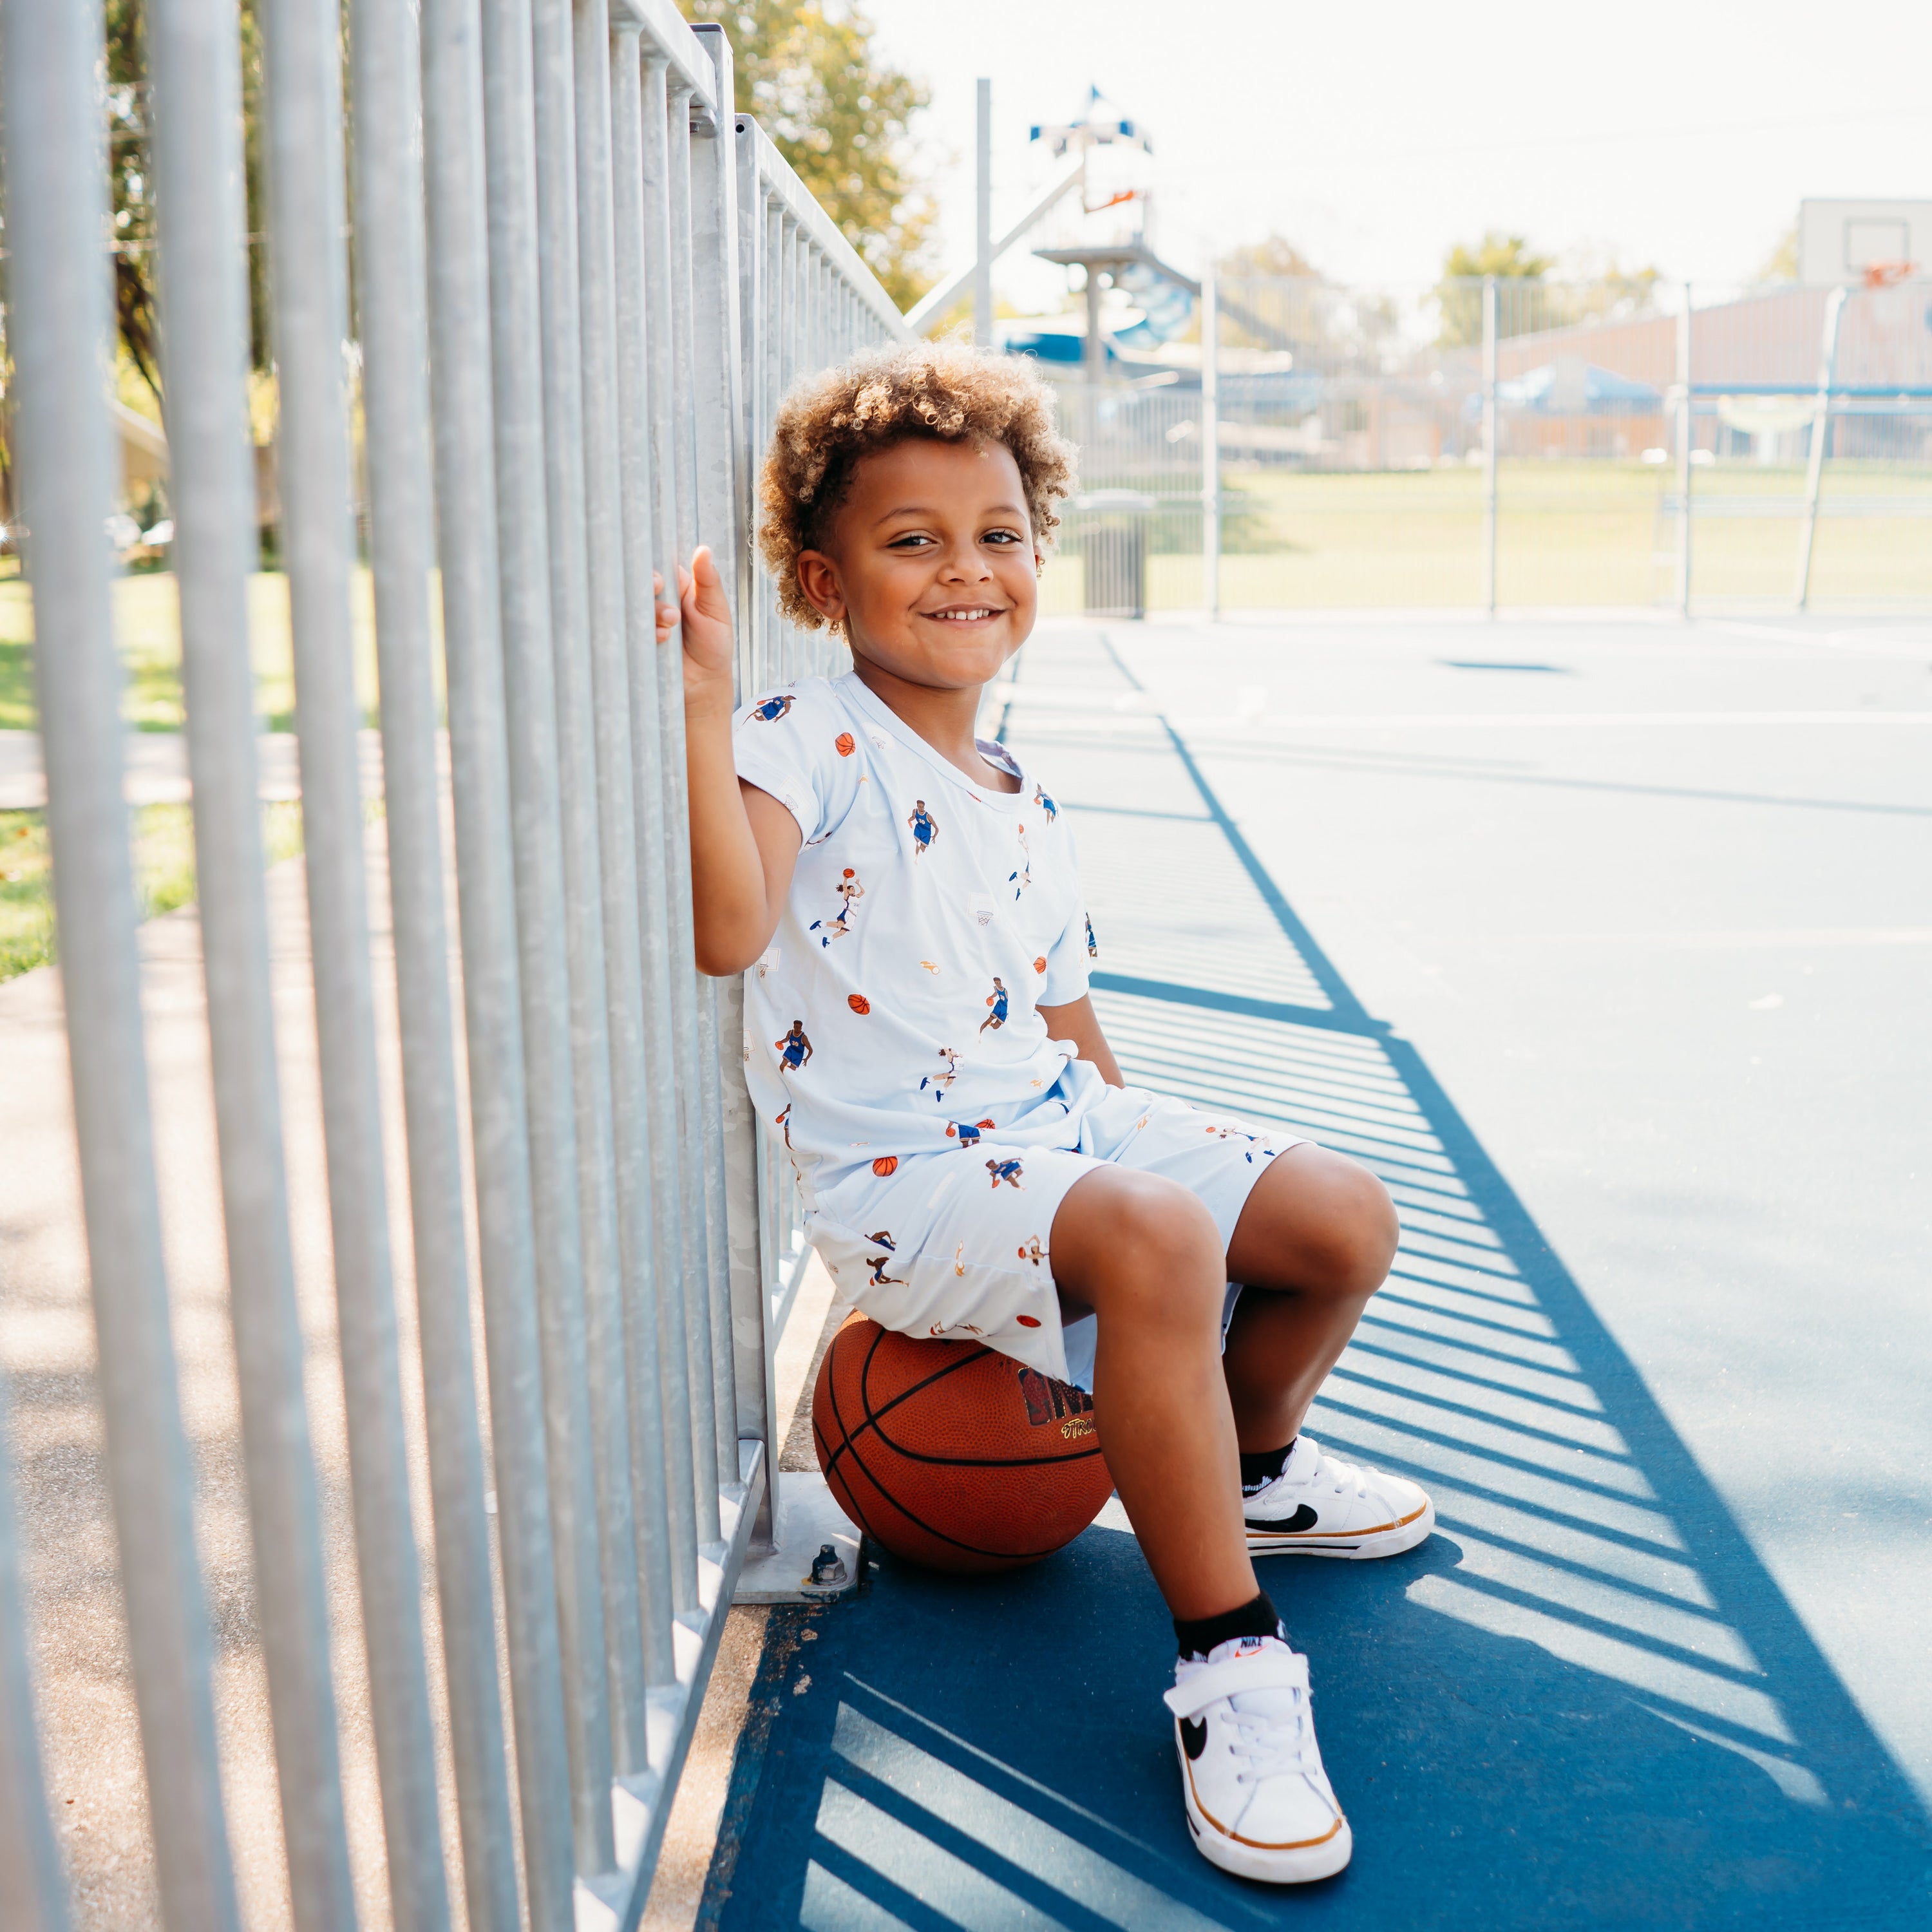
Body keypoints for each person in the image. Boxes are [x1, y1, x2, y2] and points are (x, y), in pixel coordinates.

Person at [669, 340, 1432, 1886]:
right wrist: (693, 720)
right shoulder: (800, 741)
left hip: (1055, 1131)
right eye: (912, 541)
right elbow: (730, 933)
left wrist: (1161, 1178)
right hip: (907, 1182)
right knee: (1154, 1230)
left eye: (1000, 534)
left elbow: (1067, 1016)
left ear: (1039, 555)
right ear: (823, 583)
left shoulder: (1023, 783)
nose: (968, 569)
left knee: (1342, 1214)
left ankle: (1255, 1464)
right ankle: (1230, 1663)